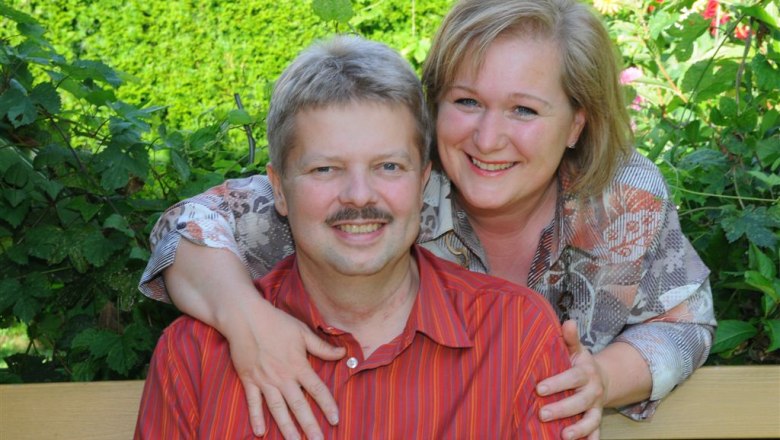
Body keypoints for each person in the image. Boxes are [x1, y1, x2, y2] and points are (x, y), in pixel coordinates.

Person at [139, 0, 716, 439]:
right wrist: (247, 320)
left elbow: (686, 322)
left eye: (523, 109)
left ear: (575, 125)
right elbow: (188, 229)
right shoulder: (389, 185)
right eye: (466, 102)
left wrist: (600, 379)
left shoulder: (620, 197)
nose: (487, 138)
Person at [135, 34, 578, 439]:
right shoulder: (194, 357)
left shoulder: (516, 335)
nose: (359, 196)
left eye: (388, 166)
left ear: (423, 180)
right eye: (325, 169)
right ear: (279, 189)